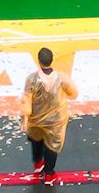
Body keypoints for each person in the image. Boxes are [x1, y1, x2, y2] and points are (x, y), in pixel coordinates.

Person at [21, 47, 76, 182]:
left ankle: (38, 164)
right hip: (56, 120)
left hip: (36, 118)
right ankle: (49, 174)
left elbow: (26, 100)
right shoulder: (62, 78)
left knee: (36, 139)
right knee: (53, 145)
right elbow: (74, 93)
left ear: (38, 61)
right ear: (52, 60)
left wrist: (25, 120)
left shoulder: (31, 79)